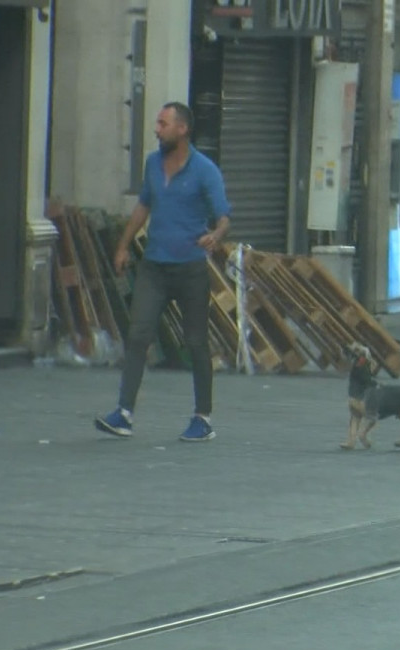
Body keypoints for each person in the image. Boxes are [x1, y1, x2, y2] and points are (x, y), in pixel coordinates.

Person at [94, 102, 231, 442]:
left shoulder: (204, 169)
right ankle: (124, 413)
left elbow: (224, 215)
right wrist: (124, 244)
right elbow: (144, 205)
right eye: (157, 123)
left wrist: (215, 235)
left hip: (190, 269)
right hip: (154, 265)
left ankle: (203, 417)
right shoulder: (153, 164)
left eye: (163, 123)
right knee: (139, 335)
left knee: (196, 342)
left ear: (182, 129)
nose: (157, 129)